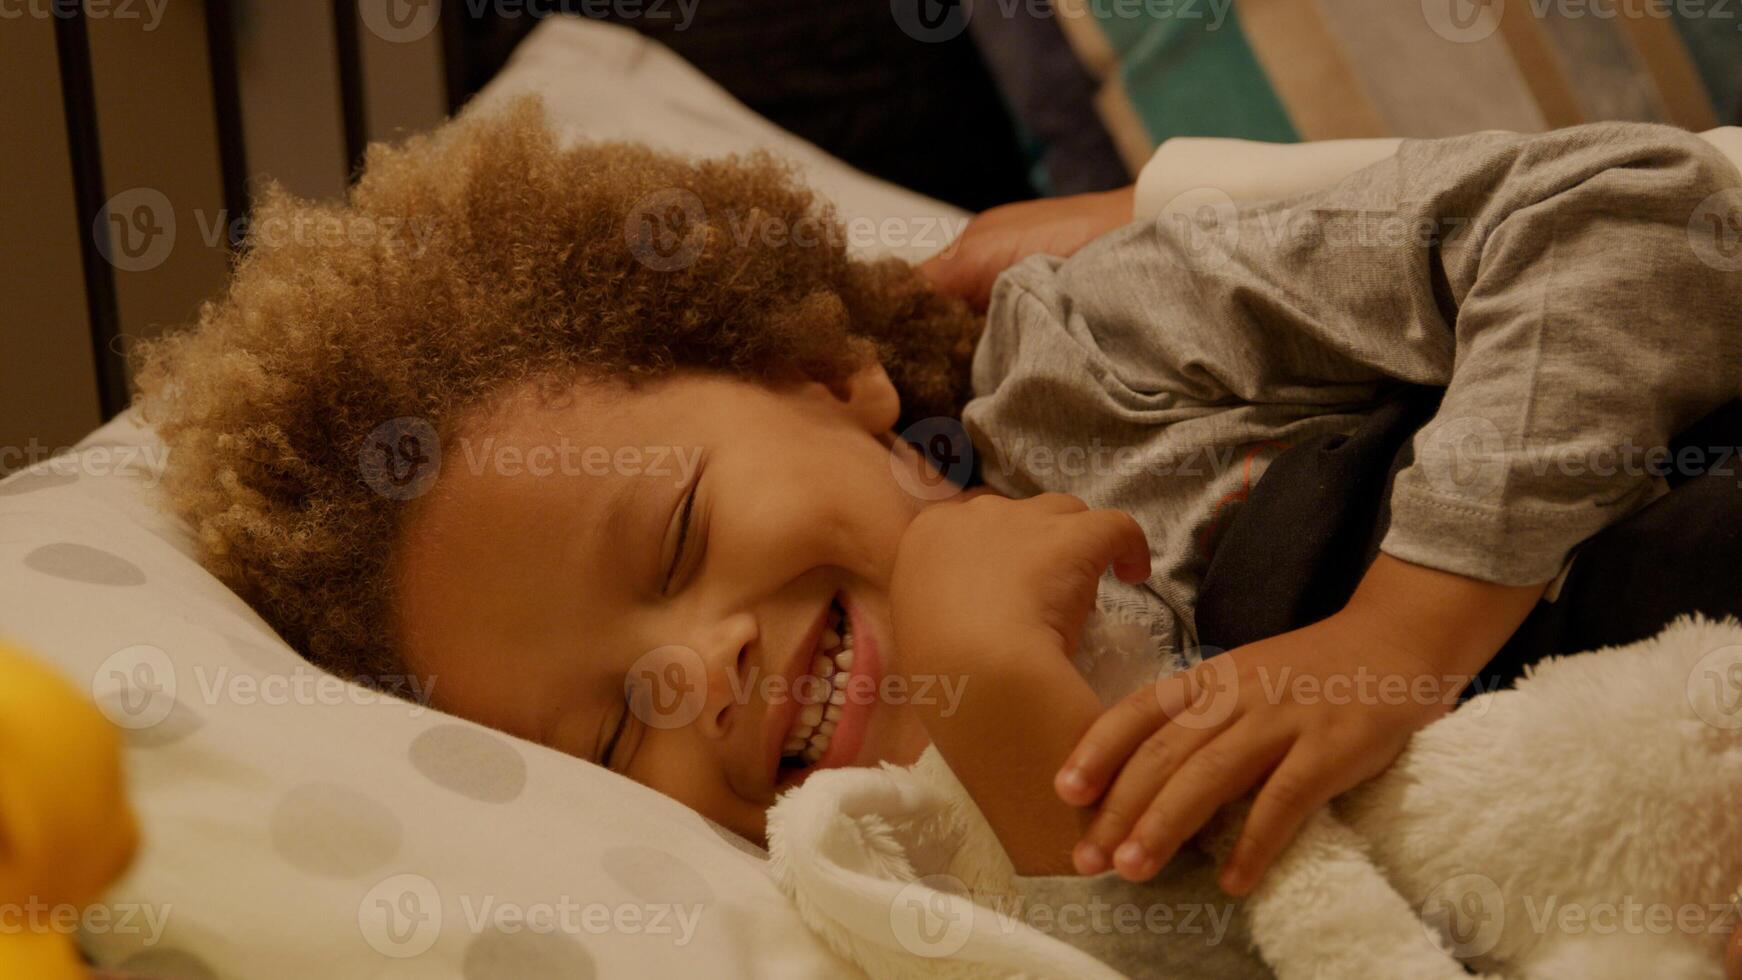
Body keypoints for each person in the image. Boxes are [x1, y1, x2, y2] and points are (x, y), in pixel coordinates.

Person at [130, 96, 1742, 975]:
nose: (696, 678)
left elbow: (1627, 215)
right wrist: (1006, 714)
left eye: (677, 534)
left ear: (828, 376)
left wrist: (1402, 625)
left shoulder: (1095, 357)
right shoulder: (898, 885)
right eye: (615, 727)